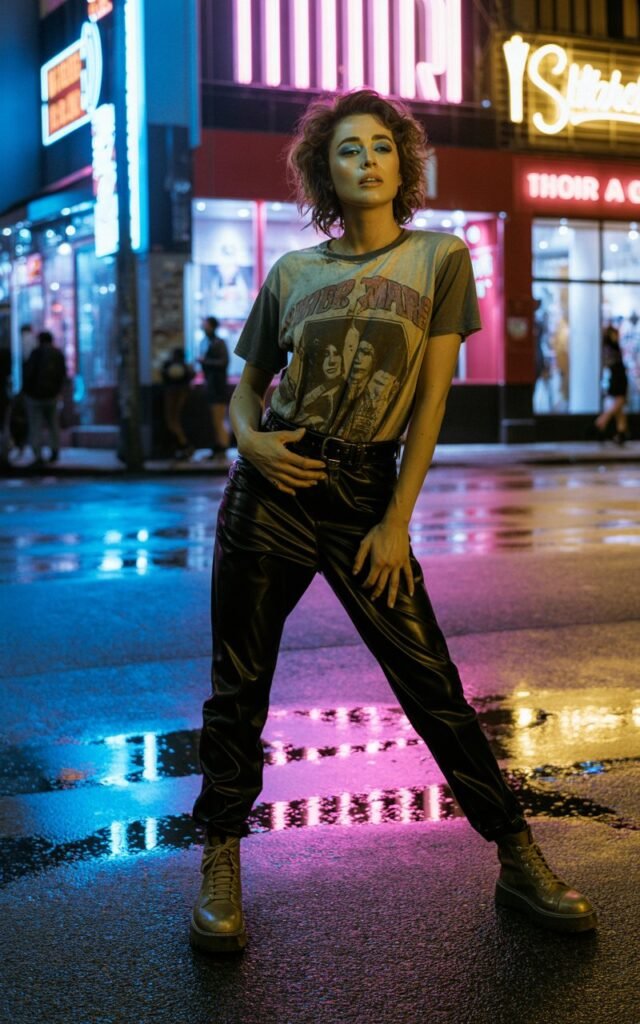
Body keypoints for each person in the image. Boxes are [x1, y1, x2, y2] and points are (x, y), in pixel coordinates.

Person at [189, 89, 597, 954]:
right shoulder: (292, 273)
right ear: (324, 171)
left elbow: (431, 402)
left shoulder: (440, 258)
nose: (366, 160)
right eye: (348, 149)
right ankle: (221, 861)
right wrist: (249, 444)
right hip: (270, 488)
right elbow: (247, 390)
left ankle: (517, 855)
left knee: (432, 683)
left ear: (402, 164)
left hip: (367, 494)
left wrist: (394, 521)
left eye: (380, 146)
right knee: (238, 689)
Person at [22, 329, 67, 467]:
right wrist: (58, 391)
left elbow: (28, 373)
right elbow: (62, 375)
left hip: (35, 396)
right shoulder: (58, 354)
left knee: (36, 425)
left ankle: (38, 455)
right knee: (53, 424)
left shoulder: (36, 353)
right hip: (52, 396)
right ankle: (55, 450)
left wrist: (25, 391)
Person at [200, 317, 230, 463]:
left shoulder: (219, 342)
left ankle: (222, 447)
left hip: (218, 387)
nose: (203, 327)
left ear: (212, 326)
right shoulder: (209, 342)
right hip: (213, 386)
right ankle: (219, 447)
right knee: (215, 418)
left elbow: (224, 362)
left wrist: (205, 361)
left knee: (219, 418)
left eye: (205, 325)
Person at [593, 325, 629, 445]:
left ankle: (621, 432)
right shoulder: (611, 346)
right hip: (618, 376)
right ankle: (601, 421)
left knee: (620, 407)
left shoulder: (609, 346)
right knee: (619, 401)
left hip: (616, 376)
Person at [161, 346, 195, 459]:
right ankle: (183, 446)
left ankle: (184, 446)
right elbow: (191, 376)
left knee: (172, 421)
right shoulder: (185, 366)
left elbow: (163, 376)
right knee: (175, 420)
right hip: (182, 393)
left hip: (172, 393)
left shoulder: (168, 365)